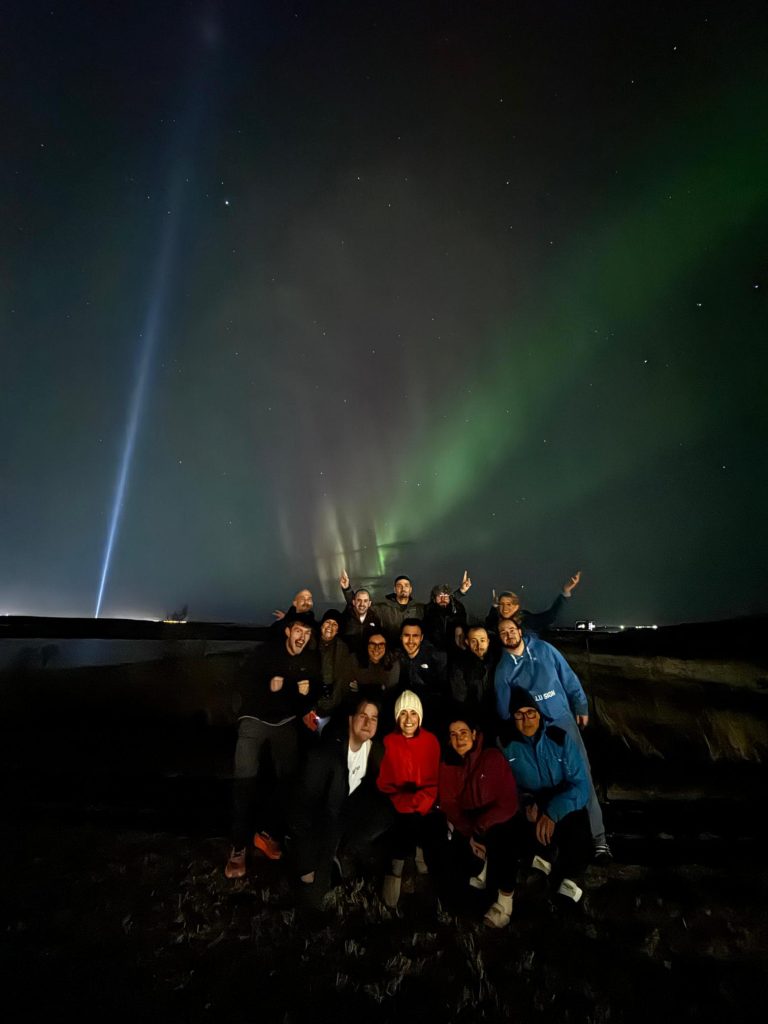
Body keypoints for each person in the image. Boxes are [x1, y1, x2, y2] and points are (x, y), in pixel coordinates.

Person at [494, 617, 610, 860]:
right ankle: (555, 840)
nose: (508, 635)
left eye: (511, 630)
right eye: (502, 632)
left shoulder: (544, 649)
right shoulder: (504, 668)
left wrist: (581, 706)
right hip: (533, 727)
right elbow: (504, 708)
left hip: (561, 721)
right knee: (543, 782)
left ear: (519, 630)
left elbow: (568, 677)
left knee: (582, 776)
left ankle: (598, 837)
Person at [225, 613, 320, 879]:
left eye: (307, 633)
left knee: (288, 780)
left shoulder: (308, 660)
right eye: (298, 631)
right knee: (244, 780)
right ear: (288, 632)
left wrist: (305, 700)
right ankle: (238, 847)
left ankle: (268, 834)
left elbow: (308, 696)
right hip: (254, 718)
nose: (302, 637)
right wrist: (266, 688)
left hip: (285, 723)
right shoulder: (267, 653)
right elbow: (243, 681)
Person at [289, 700, 394, 896]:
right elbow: (301, 809)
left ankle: (345, 850)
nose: (367, 723)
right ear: (350, 719)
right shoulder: (326, 756)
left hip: (343, 816)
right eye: (363, 716)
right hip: (320, 820)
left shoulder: (376, 752)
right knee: (313, 887)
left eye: (373, 718)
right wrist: (306, 862)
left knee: (385, 811)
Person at [501, 688, 592, 905]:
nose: (526, 719)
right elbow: (506, 786)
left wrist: (552, 812)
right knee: (518, 826)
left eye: (531, 713)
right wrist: (524, 804)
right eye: (519, 715)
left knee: (579, 824)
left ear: (539, 714)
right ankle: (540, 866)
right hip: (532, 802)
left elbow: (580, 785)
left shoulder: (559, 739)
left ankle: (570, 881)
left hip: (561, 799)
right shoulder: (507, 746)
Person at [438, 714, 519, 927]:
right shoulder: (448, 765)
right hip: (468, 825)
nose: (459, 739)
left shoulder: (491, 758)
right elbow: (450, 804)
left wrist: (479, 830)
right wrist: (469, 833)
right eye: (453, 735)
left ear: (474, 734)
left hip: (496, 820)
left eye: (463, 732)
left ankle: (505, 899)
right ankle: (472, 889)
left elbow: (508, 803)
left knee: (503, 840)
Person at [376, 690, 441, 907]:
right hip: (398, 802)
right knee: (405, 820)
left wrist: (418, 802)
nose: (408, 719)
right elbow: (385, 782)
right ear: (396, 717)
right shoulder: (388, 742)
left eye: (413, 713)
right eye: (403, 713)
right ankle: (398, 866)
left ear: (420, 717)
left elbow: (433, 780)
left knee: (419, 819)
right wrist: (404, 801)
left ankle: (410, 861)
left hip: (424, 801)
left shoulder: (431, 741)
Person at [485, 571, 582, 634]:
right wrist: (494, 606)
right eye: (501, 604)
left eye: (509, 604)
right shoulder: (496, 622)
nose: (505, 608)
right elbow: (488, 624)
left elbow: (550, 616)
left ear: (516, 607)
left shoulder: (526, 620)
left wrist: (565, 592)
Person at [342, 571, 424, 643]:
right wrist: (347, 589)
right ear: (395, 589)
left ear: (410, 589)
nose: (403, 588)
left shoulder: (419, 609)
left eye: (406, 585)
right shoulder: (383, 608)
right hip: (390, 653)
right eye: (399, 586)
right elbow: (361, 606)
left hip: (412, 650)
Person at [448, 625, 501, 736]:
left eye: (482, 640)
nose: (479, 645)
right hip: (473, 722)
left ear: (488, 641)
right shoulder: (459, 665)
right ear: (467, 642)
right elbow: (460, 698)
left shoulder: (498, 661)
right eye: (474, 641)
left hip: (498, 718)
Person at [397, 618, 447, 724]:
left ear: (421, 638)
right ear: (401, 637)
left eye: (415, 636)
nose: (410, 641)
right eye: (406, 635)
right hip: (403, 711)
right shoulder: (395, 657)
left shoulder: (436, 657)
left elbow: (442, 691)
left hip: (430, 712)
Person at [315, 609, 357, 728]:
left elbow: (345, 674)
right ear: (321, 625)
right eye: (327, 622)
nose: (330, 627)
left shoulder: (342, 648)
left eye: (334, 624)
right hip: (312, 697)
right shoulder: (310, 642)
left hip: (333, 699)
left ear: (338, 630)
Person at [421, 572, 472, 655]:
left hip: (455, 651)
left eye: (446, 596)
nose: (443, 599)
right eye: (439, 596)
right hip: (433, 652)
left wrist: (461, 591)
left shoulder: (458, 608)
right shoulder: (426, 610)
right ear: (434, 598)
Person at [350, 633, 400, 704]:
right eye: (372, 644)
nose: (376, 648)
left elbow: (391, 693)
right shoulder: (355, 660)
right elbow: (352, 690)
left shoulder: (393, 662)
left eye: (381, 644)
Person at [337, 574, 381, 654]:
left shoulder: (375, 619)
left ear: (369, 603)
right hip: (347, 658)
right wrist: (347, 588)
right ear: (354, 602)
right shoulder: (346, 616)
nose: (362, 604)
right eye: (359, 600)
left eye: (365, 601)